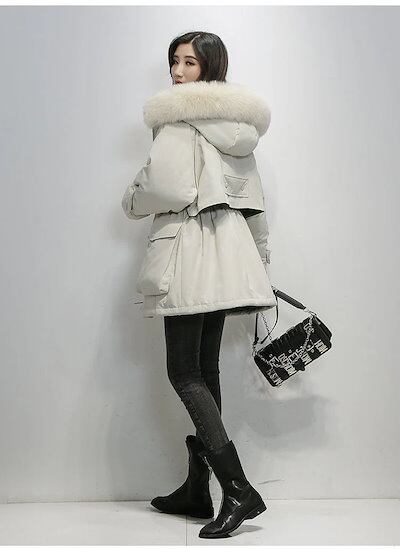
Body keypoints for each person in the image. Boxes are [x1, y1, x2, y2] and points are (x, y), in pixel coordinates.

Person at [121, 31, 277, 539]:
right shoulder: (239, 128)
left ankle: (237, 488)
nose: (177, 72)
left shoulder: (178, 119)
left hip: (189, 252)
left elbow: (163, 187)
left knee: (183, 372)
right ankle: (197, 487)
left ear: (209, 67)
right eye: (174, 61)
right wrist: (260, 260)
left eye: (189, 62)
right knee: (205, 370)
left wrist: (130, 198)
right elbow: (253, 202)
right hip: (230, 255)